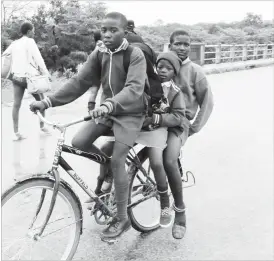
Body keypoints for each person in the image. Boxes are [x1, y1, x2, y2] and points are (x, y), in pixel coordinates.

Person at [29, 12, 147, 241]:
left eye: (114, 30)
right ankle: (111, 174)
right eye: (104, 30)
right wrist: (48, 101)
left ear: (125, 32)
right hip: (107, 112)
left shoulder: (135, 54)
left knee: (118, 159)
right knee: (79, 142)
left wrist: (110, 104)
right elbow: (79, 82)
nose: (108, 34)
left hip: (130, 113)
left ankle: (122, 218)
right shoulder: (100, 52)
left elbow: (134, 89)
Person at [163, 29, 214, 239]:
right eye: (178, 44)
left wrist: (193, 128)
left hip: (180, 124)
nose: (182, 48)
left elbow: (207, 102)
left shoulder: (195, 71)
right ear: (170, 45)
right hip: (158, 120)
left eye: (186, 44)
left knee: (168, 160)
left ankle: (180, 212)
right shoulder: (161, 66)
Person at [135, 51, 188, 228]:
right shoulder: (148, 84)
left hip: (169, 128)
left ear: (175, 72)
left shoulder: (175, 92)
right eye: (160, 67)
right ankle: (106, 188)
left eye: (168, 68)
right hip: (150, 127)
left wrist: (157, 119)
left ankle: (166, 203)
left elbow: (178, 117)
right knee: (113, 147)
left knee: (162, 161)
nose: (163, 70)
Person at [2, 22, 51, 141]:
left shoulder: (14, 43)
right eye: (33, 30)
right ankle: (42, 126)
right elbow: (38, 59)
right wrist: (46, 73)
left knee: (16, 104)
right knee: (42, 101)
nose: (34, 32)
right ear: (29, 31)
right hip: (30, 79)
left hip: (17, 78)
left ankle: (16, 132)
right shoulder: (30, 42)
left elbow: (4, 55)